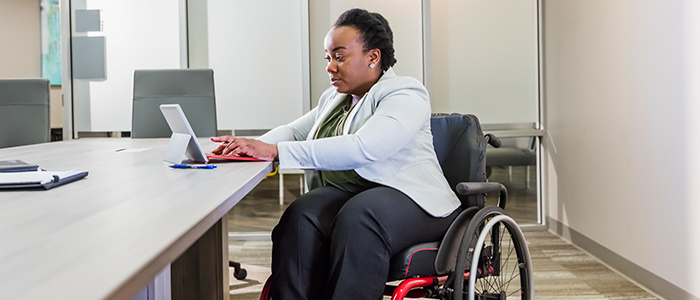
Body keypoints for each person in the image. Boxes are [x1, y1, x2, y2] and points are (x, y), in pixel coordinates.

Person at [211, 8, 461, 299]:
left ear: (373, 57)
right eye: (328, 58)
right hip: (360, 196)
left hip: (416, 201)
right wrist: (249, 147)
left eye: (339, 57)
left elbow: (365, 147)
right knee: (301, 214)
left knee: (360, 217)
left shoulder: (405, 93)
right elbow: (294, 131)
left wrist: (276, 152)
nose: (330, 67)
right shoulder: (336, 98)